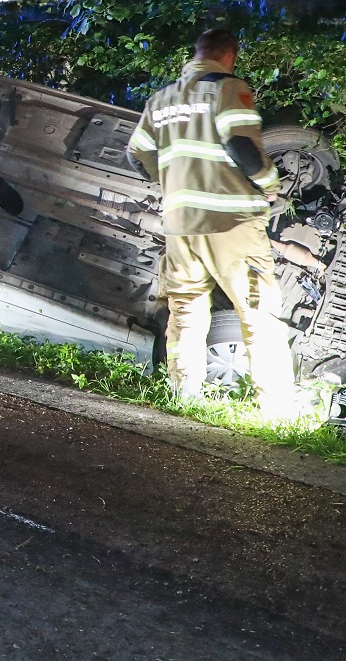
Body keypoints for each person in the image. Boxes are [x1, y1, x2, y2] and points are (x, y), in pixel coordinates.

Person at [126, 28, 297, 417]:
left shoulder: (161, 98)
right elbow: (241, 144)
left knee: (186, 309)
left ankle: (185, 395)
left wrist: (173, 181)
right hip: (230, 220)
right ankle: (276, 408)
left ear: (196, 54)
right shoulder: (228, 88)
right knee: (257, 311)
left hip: (180, 226)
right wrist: (270, 184)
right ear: (230, 56)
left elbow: (136, 153)